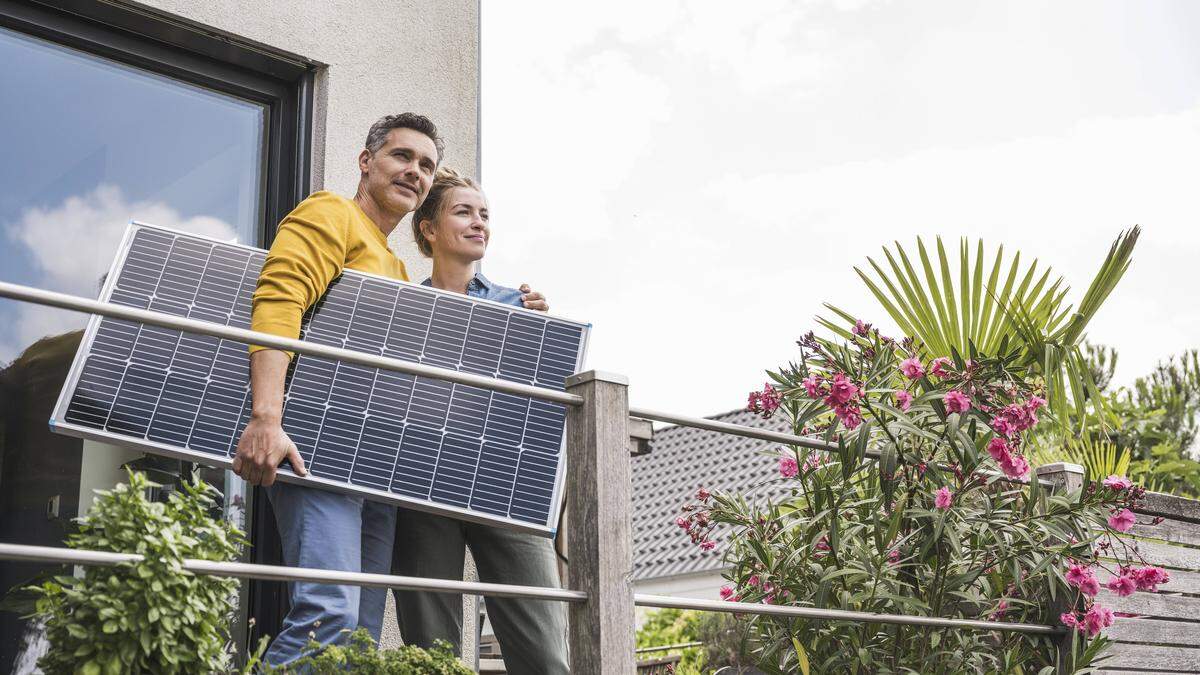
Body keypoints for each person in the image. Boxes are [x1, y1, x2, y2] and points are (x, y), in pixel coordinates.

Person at [231, 114, 547, 666]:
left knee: (359, 639)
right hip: (317, 453)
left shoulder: (398, 271)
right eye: (402, 157)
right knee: (327, 617)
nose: (414, 172)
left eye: (425, 165)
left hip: (374, 473)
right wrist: (267, 417)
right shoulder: (332, 212)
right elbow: (279, 302)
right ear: (366, 161)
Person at [391, 168, 569, 675]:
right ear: (428, 228)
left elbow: (543, 401)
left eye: (485, 214)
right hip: (423, 483)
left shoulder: (521, 306)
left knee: (542, 649)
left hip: (503, 483)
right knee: (431, 651)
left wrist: (544, 334)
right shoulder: (405, 305)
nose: (479, 223)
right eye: (464, 212)